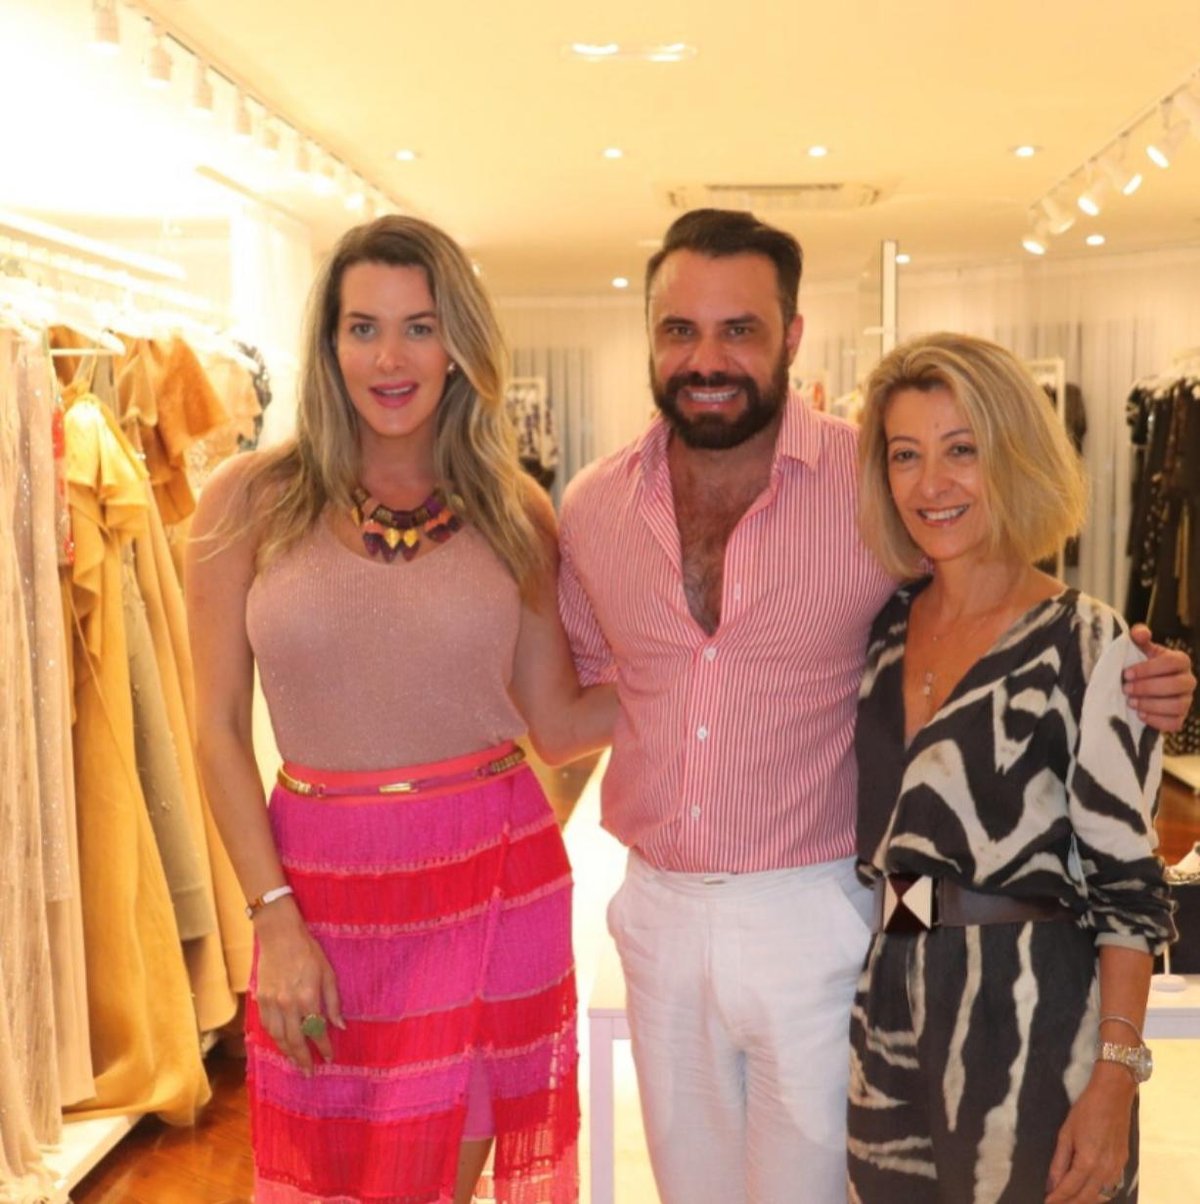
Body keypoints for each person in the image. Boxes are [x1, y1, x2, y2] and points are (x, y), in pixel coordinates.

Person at [556, 209, 1195, 1203]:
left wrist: (1141, 673)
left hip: (837, 917)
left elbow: (1011, 613)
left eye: (740, 329)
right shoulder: (596, 508)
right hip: (693, 922)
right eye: (680, 329)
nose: (707, 357)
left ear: (792, 335)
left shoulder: (865, 491)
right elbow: (598, 685)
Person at [186, 215, 614, 1204]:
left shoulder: (513, 508)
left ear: (458, 344)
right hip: (315, 895)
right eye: (363, 327)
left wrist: (709, 667)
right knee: (324, 1183)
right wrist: (273, 920)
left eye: (420, 327)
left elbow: (557, 723)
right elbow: (214, 729)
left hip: (488, 889)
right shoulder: (247, 500)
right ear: (329, 344)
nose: (390, 357)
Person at [848, 332, 1176, 1204]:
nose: (931, 484)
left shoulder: (1088, 641)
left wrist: (1116, 1077)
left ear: (1015, 456)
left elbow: (1131, 892)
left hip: (1033, 1014)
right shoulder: (884, 632)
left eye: (962, 450)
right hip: (892, 1005)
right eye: (906, 455)